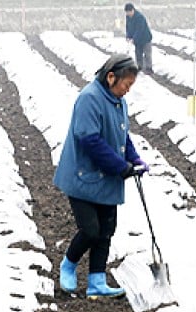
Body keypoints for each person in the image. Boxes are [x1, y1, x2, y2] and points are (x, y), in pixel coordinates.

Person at [53, 54, 148, 299]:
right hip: (82, 176)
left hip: (106, 176)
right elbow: (89, 140)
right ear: (111, 77)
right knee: (91, 229)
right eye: (126, 85)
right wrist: (121, 167)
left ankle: (97, 280)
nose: (127, 90)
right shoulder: (90, 99)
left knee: (107, 229)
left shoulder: (118, 101)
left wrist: (134, 159)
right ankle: (69, 264)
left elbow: (122, 134)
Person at [124, 3, 153, 74]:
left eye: (129, 12)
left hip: (145, 38)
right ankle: (139, 67)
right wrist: (128, 36)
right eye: (127, 12)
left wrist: (133, 38)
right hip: (137, 39)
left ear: (133, 10)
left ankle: (149, 68)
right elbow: (128, 27)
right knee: (138, 53)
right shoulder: (128, 17)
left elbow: (139, 30)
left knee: (147, 54)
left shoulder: (140, 17)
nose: (128, 14)